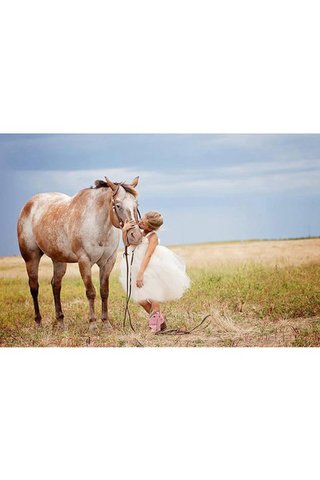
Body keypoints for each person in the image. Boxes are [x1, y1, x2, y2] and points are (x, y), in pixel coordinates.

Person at [119, 211, 191, 332]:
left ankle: (155, 327)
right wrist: (124, 230)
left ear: (151, 227)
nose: (140, 222)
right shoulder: (139, 233)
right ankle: (160, 321)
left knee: (153, 298)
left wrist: (141, 273)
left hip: (150, 268)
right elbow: (127, 244)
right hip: (135, 266)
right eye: (142, 220)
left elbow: (148, 255)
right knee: (141, 299)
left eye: (144, 223)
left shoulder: (153, 237)